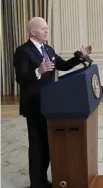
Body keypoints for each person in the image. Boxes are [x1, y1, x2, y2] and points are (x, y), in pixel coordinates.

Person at [14, 17, 92, 188]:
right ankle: (36, 183)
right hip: (33, 105)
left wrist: (80, 57)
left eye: (47, 28)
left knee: (48, 143)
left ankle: (43, 180)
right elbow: (21, 78)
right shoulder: (22, 51)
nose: (47, 31)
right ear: (33, 32)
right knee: (37, 145)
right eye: (44, 29)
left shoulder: (48, 49)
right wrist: (38, 71)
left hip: (50, 103)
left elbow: (63, 65)